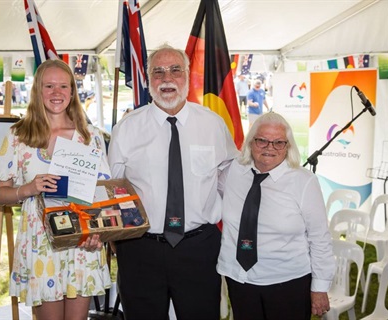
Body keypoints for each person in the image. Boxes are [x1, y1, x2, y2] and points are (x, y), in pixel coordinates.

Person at [108, 44, 239, 319]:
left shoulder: (213, 125)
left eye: (175, 70)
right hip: (139, 248)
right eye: (158, 72)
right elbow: (112, 186)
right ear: (147, 79)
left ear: (188, 76)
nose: (167, 78)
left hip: (199, 248)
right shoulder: (127, 129)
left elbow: (230, 176)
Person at [0, 59, 111, 320]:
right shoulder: (18, 135)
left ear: (72, 91)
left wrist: (98, 234)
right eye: (49, 86)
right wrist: (29, 188)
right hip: (40, 244)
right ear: (37, 90)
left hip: (81, 242)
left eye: (63, 86)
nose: (57, 93)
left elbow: (101, 193)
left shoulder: (90, 135)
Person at [217, 112, 335, 319]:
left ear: (288, 147)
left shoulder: (304, 182)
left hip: (287, 283)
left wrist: (320, 287)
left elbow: (320, 238)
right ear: (251, 143)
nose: (269, 148)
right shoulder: (233, 171)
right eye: (262, 140)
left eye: (278, 142)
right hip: (240, 279)